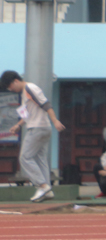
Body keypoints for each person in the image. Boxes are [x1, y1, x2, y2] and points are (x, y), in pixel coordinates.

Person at [1, 70, 66, 202]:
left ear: (16, 81)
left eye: (10, 86)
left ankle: (42, 186)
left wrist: (55, 121)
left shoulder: (30, 88)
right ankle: (47, 190)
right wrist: (18, 125)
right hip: (42, 128)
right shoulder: (25, 92)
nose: (10, 89)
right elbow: (28, 113)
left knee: (25, 157)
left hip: (37, 128)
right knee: (40, 158)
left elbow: (46, 104)